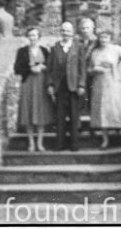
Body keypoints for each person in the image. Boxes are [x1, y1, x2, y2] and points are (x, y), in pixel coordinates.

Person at [45, 21, 86, 151]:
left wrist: (81, 85)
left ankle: (74, 144)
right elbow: (49, 68)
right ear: (60, 32)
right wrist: (50, 84)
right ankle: (59, 144)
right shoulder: (55, 47)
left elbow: (82, 68)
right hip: (59, 86)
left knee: (74, 116)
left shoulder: (78, 47)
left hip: (74, 86)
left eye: (68, 31)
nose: (66, 33)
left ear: (72, 32)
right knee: (60, 116)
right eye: (63, 31)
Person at [13, 26, 53, 151]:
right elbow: (17, 69)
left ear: (39, 37)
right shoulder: (22, 51)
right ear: (27, 37)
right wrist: (30, 69)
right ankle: (31, 142)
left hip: (41, 84)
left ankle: (40, 142)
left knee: (40, 112)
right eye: (30, 35)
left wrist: (43, 67)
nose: (32, 38)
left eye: (35, 35)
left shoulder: (45, 50)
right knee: (28, 111)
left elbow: (50, 67)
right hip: (28, 83)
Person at [78, 17, 98, 112]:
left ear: (93, 28)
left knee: (93, 92)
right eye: (83, 28)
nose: (85, 30)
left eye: (87, 28)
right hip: (81, 71)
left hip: (94, 70)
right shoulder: (78, 41)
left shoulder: (97, 41)